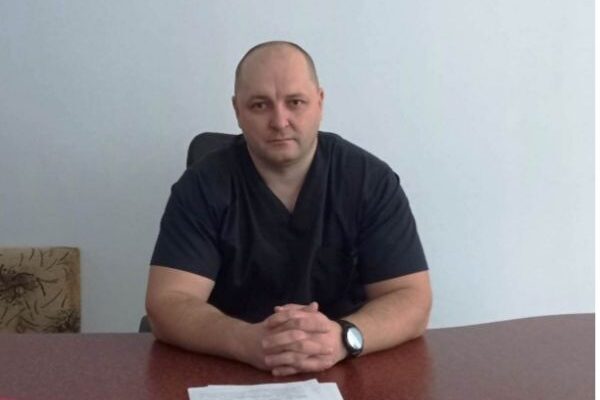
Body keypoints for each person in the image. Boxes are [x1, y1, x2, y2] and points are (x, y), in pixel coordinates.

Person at [145, 41, 432, 376]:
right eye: (260, 105)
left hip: (346, 366)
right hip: (229, 366)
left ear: (319, 102)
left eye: (295, 102)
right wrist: (245, 341)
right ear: (237, 110)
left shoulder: (370, 180)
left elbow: (412, 297)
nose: (280, 121)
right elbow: (168, 302)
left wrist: (344, 338)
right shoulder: (202, 186)